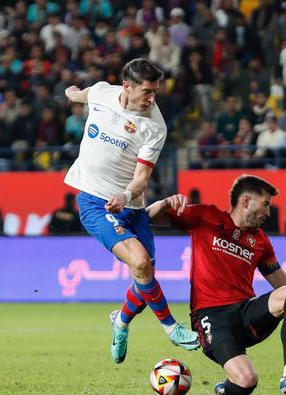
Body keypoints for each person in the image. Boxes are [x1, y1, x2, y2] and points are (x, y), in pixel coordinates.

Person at [147, 175, 286, 395]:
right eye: (266, 204)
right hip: (212, 318)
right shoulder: (205, 216)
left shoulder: (260, 241)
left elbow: (285, 286)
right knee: (246, 381)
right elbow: (147, 218)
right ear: (245, 201)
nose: (269, 213)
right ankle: (227, 391)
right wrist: (163, 203)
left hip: (245, 314)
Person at [63, 58, 199, 364]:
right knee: (140, 262)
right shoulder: (101, 93)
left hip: (131, 205)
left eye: (155, 91)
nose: (152, 97)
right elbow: (81, 94)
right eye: (147, 91)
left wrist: (125, 196)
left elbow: (141, 179)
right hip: (94, 201)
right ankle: (171, 328)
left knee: (144, 275)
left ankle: (120, 322)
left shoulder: (155, 126)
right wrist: (70, 91)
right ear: (127, 86)